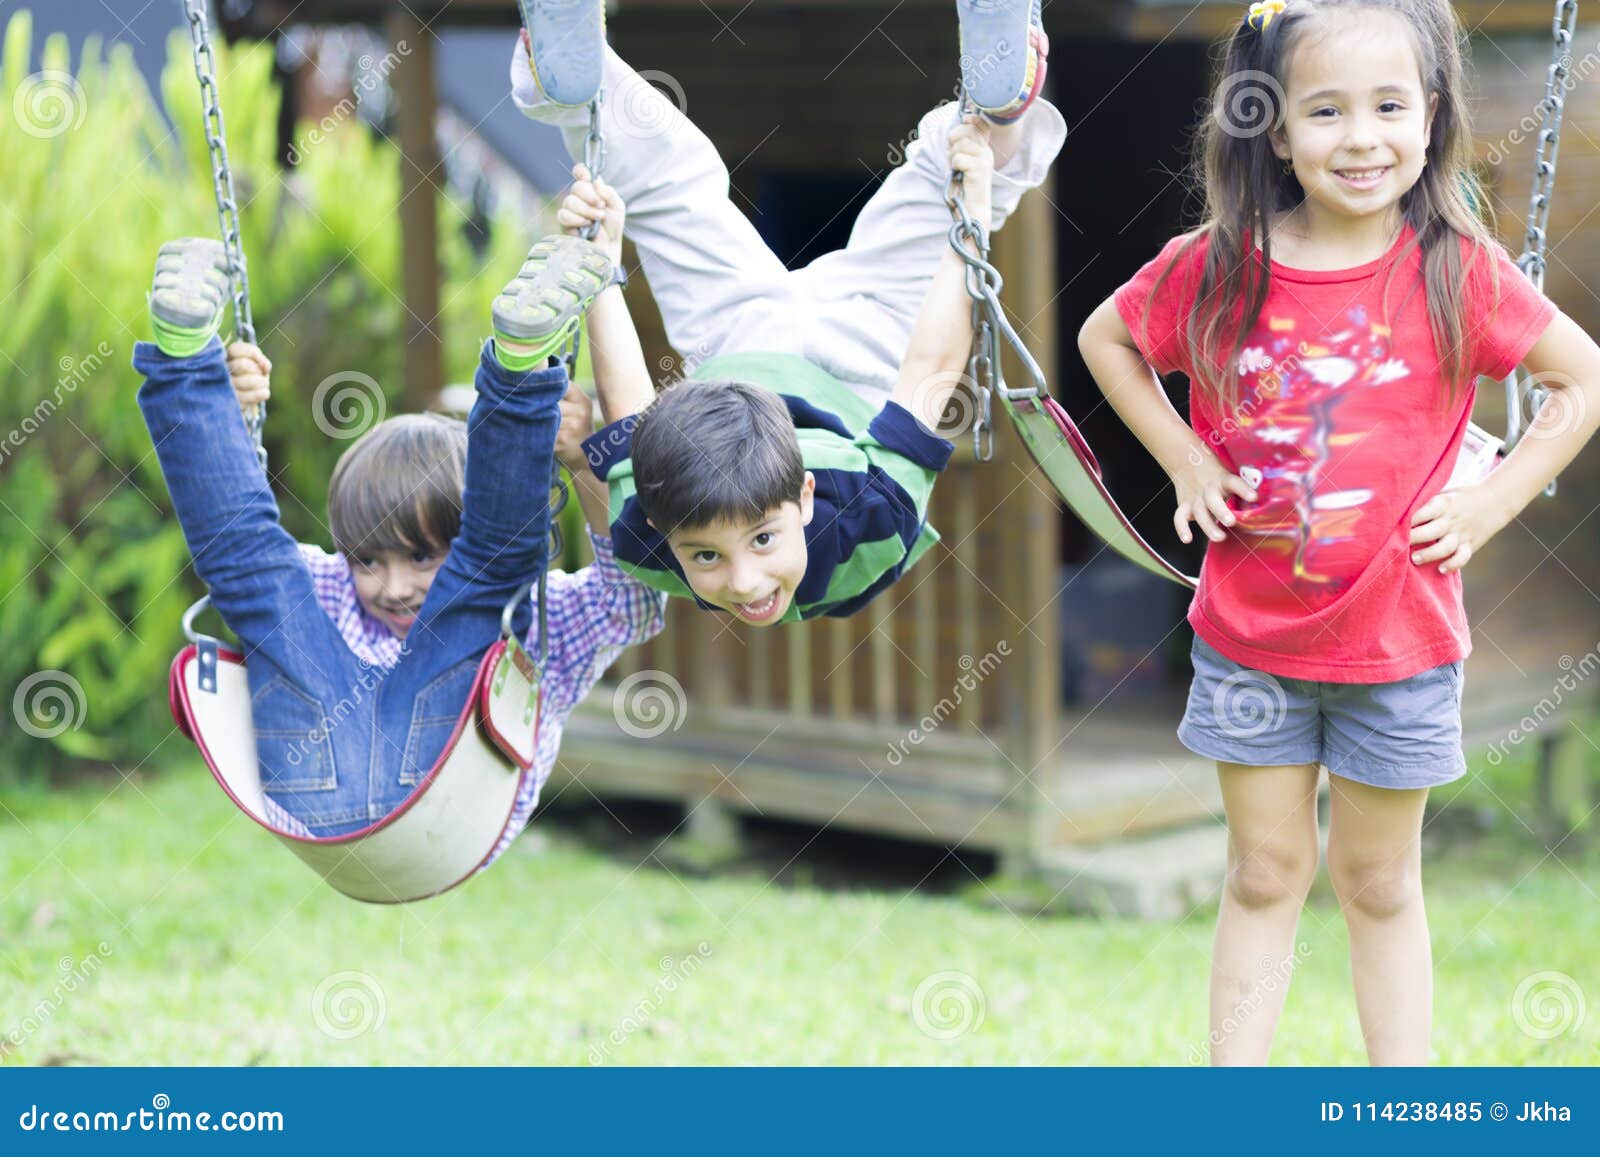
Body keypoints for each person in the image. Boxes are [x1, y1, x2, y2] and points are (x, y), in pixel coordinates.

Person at [1078, 0, 1600, 1064]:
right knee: (1263, 872)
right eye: (1325, 110)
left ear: (1431, 113)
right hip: (1249, 636)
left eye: (1387, 106)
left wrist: (1491, 499)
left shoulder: (1457, 269)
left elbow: (1579, 379)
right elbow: (1107, 339)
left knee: (1377, 880)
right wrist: (1182, 453)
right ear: (1274, 128)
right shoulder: (1220, 264)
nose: (1360, 136)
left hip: (1398, 642)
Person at [511, 0, 1066, 625]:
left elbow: (629, 404)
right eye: (708, 554)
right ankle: (997, 108)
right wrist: (970, 220)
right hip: (856, 352)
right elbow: (930, 361)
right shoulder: (874, 516)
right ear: (805, 498)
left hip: (739, 345)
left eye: (753, 542)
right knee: (951, 176)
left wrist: (602, 262)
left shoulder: (648, 525)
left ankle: (583, 78)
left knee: (673, 181)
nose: (745, 584)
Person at [136, 234, 666, 851]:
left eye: (421, 557)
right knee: (268, 567)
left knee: (484, 584)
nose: (391, 587)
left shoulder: (536, 624)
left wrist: (582, 467)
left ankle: (179, 367)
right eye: (367, 559)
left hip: (435, 798)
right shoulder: (333, 588)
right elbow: (244, 537)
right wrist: (222, 417)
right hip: (326, 787)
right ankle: (519, 366)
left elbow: (630, 601)